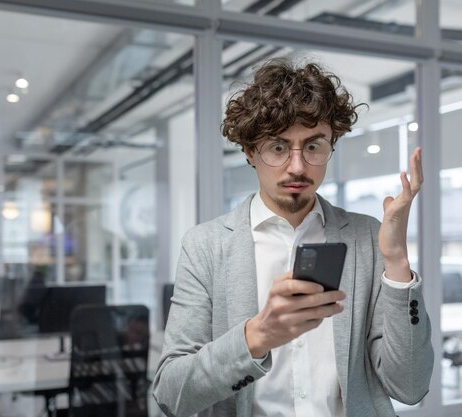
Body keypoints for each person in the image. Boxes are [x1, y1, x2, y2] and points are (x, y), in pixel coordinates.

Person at [153, 58, 433, 417]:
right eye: (278, 147)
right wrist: (257, 336)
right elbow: (171, 394)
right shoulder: (206, 246)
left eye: (314, 146)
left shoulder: (368, 237)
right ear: (250, 152)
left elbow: (410, 388)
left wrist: (397, 264)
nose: (298, 166)